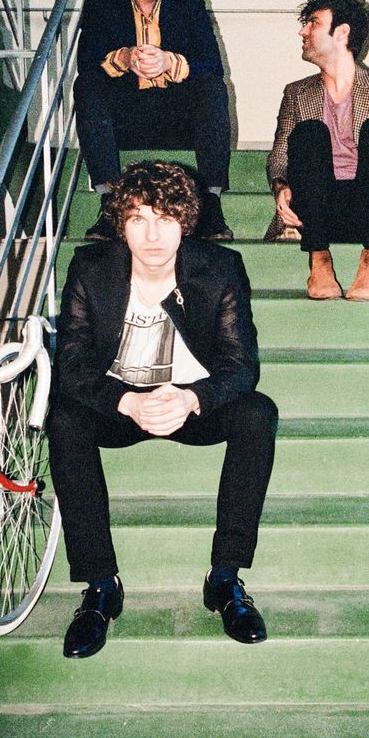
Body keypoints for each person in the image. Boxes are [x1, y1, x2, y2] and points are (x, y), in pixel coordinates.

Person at [48, 160, 277, 659]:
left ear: (185, 222)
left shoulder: (220, 269)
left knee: (257, 412)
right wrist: (126, 400)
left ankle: (225, 579)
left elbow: (242, 367)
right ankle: (99, 587)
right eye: (138, 219)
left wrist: (194, 397)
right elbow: (71, 366)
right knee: (64, 418)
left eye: (165, 219)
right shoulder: (91, 268)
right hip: (121, 405)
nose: (152, 235)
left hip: (187, 404)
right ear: (120, 222)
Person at [74, 0, 232, 242]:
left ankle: (212, 203)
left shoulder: (189, 2)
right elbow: (87, 63)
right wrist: (125, 58)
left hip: (177, 119)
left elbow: (211, 67)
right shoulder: (102, 1)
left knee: (212, 88)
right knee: (87, 85)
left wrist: (170, 62)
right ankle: (108, 202)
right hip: (124, 120)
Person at [265, 0, 369, 301]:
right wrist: (280, 188)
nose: (303, 30)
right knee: (309, 133)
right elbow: (279, 159)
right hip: (315, 210)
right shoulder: (296, 93)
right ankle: (319, 261)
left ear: (342, 33)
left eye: (313, 23)